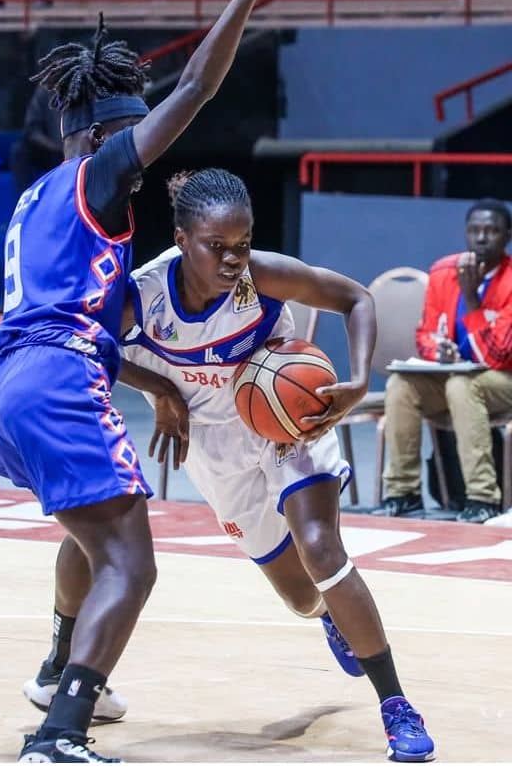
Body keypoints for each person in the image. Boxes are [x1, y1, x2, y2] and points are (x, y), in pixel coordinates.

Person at [0, 0, 280, 762]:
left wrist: (157, 386)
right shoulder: (101, 173)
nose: (146, 155)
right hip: (56, 379)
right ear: (109, 131)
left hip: (11, 382)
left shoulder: (36, 195)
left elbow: (89, 327)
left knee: (91, 529)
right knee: (132, 561)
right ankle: (59, 733)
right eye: (135, 135)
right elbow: (196, 85)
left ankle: (58, 667)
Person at [118, 168, 435, 763]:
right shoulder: (143, 294)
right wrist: (161, 390)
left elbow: (356, 299)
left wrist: (357, 379)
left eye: (242, 244)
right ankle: (329, 614)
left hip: (288, 421)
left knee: (321, 548)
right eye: (217, 247)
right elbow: (88, 344)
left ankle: (396, 705)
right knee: (301, 596)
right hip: (214, 445)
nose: (233, 260)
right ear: (182, 239)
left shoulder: (260, 276)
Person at [379, 199, 512, 524]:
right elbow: (425, 333)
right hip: (458, 378)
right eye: (475, 230)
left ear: (507, 236)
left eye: (492, 231)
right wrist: (439, 350)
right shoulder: (443, 272)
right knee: (401, 385)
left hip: (503, 379)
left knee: (462, 386)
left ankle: (482, 498)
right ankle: (403, 493)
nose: (482, 238)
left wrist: (471, 299)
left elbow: (498, 354)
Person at [10, 85, 63, 197]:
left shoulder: (88, 85)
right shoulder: (45, 89)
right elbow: (32, 130)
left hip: (84, 150)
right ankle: (25, 200)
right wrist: (55, 147)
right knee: (20, 151)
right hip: (55, 151)